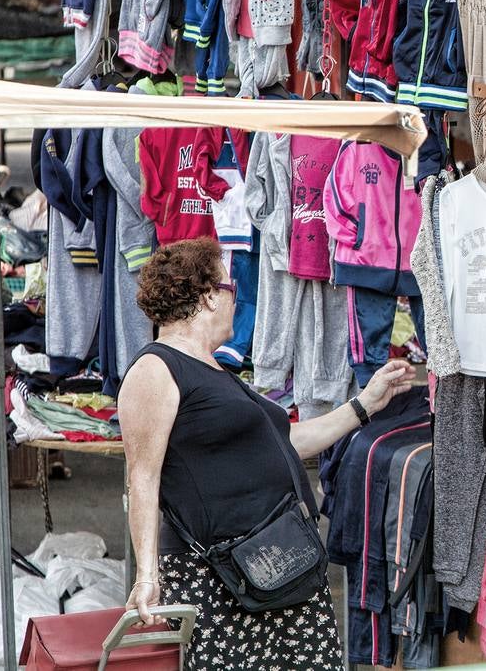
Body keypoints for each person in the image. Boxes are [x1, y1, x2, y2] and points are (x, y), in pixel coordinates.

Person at [120, 237, 416, 669]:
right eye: (231, 290)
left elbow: (285, 444)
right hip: (222, 579)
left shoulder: (214, 369)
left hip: (277, 568)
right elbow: (142, 478)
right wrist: (147, 575)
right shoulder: (155, 369)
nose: (236, 303)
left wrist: (364, 405)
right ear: (206, 297)